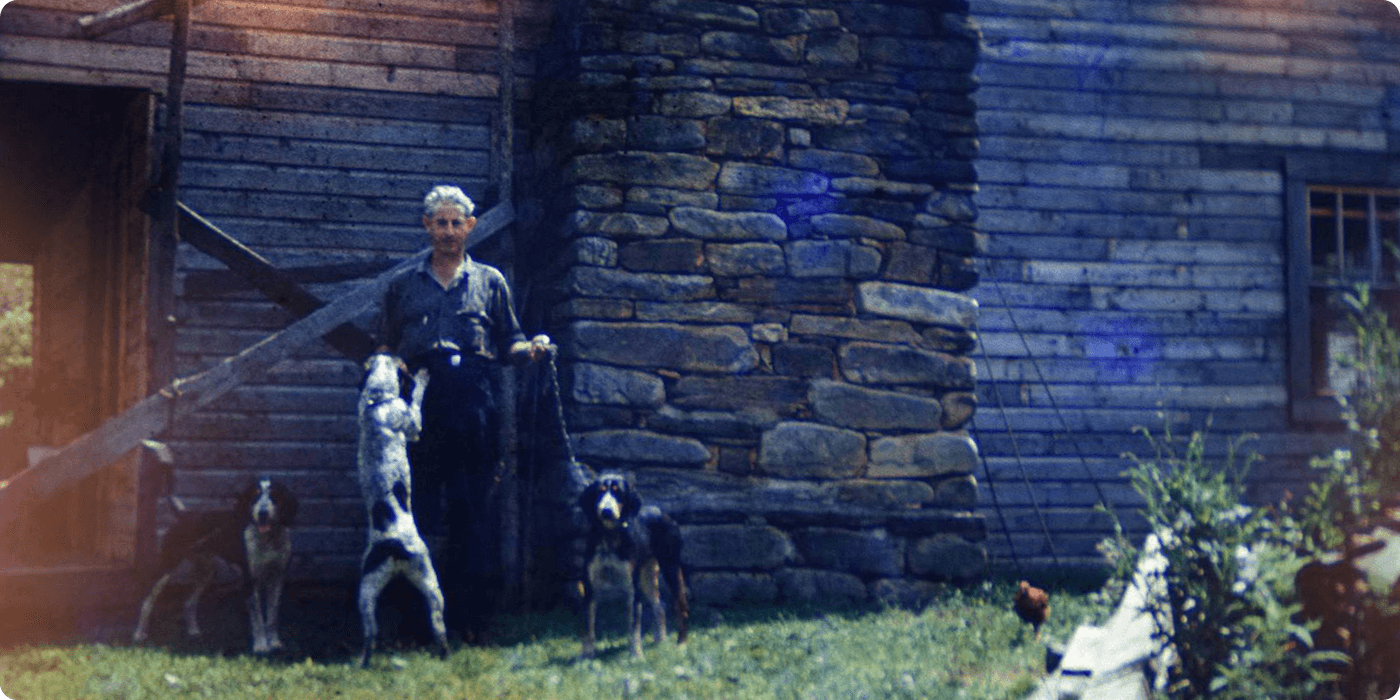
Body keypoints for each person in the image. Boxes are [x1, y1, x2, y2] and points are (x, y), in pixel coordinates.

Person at [377, 184, 546, 642]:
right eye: (440, 223)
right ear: (427, 226)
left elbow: (509, 339)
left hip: (474, 403)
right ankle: (414, 622)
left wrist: (529, 349)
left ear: (470, 227)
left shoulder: (490, 282)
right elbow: (386, 345)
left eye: (457, 223)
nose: (449, 231)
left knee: (473, 514)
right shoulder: (401, 285)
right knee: (419, 514)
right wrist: (390, 362)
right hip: (419, 410)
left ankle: (472, 621)